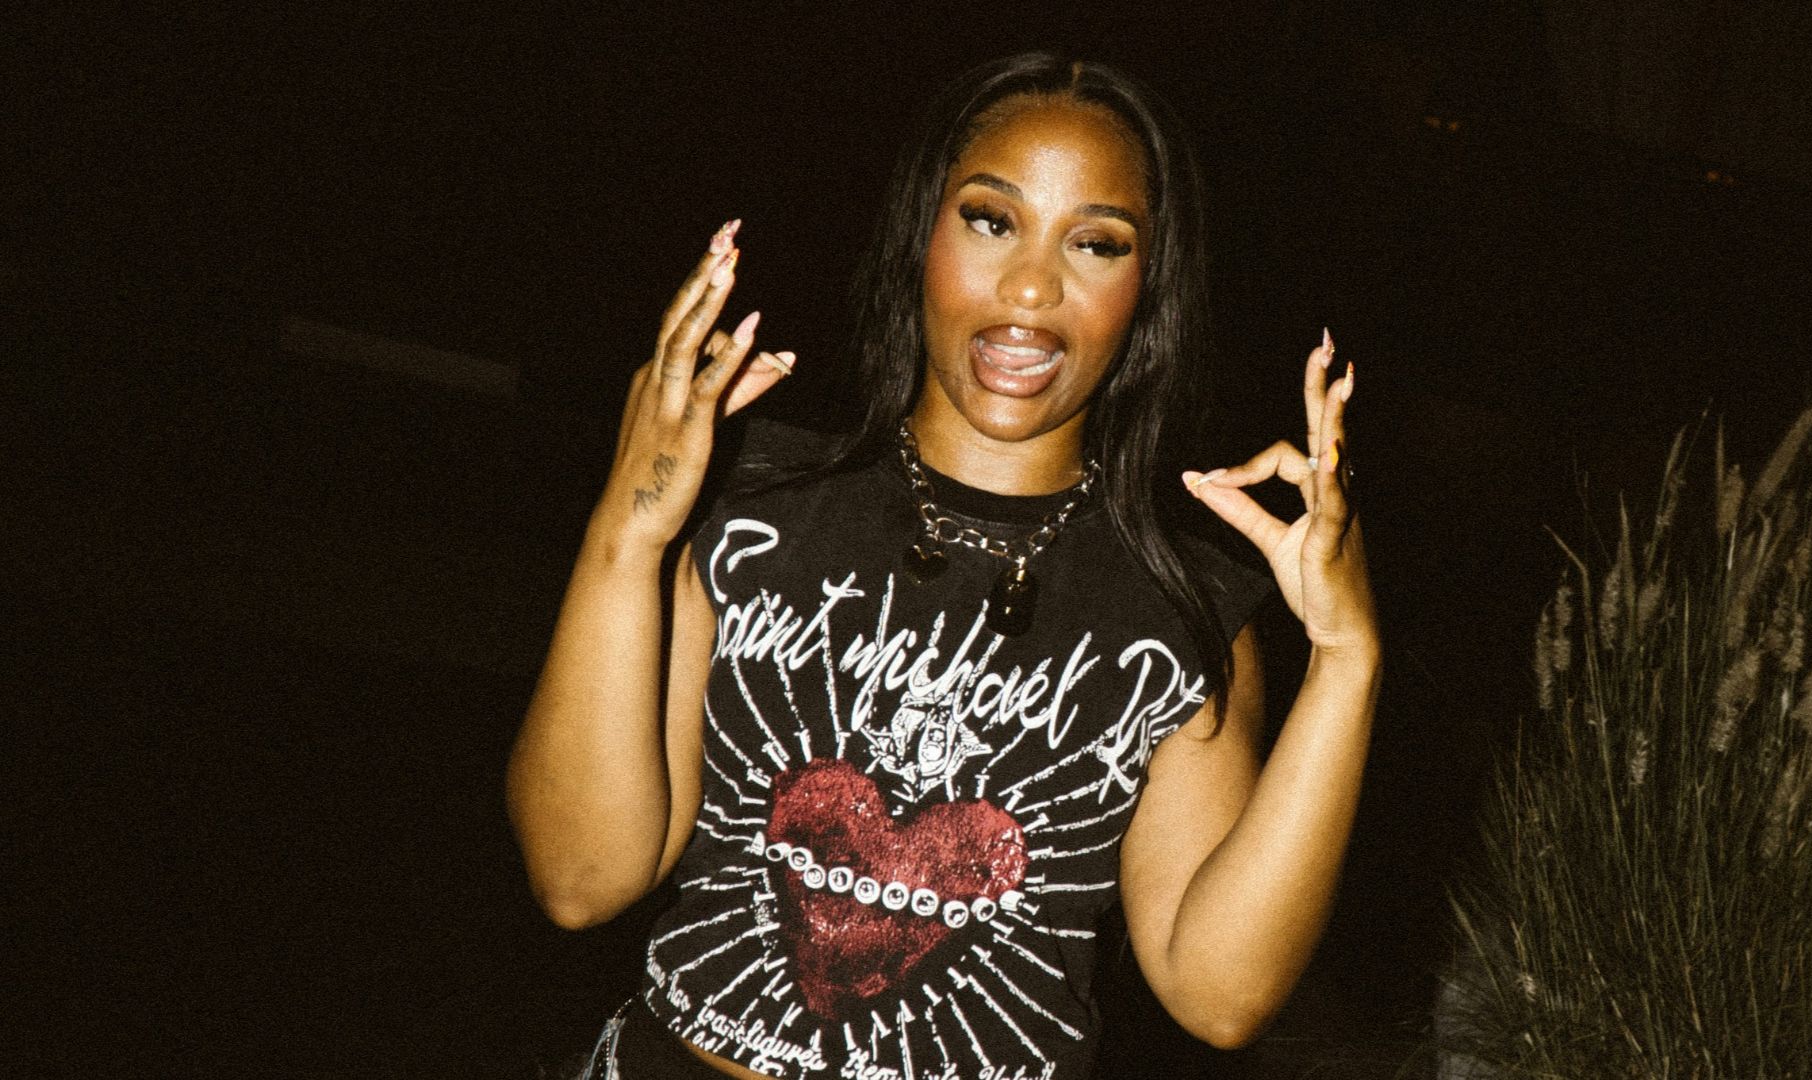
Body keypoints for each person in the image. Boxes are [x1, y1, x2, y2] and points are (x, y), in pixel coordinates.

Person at [507, 52, 1379, 1080]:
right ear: (920, 235)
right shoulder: (751, 507)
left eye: (1096, 243)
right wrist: (628, 532)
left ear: (1148, 291)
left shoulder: (1178, 610)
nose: (1032, 285)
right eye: (991, 221)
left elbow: (1221, 997)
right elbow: (579, 878)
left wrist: (1346, 658)